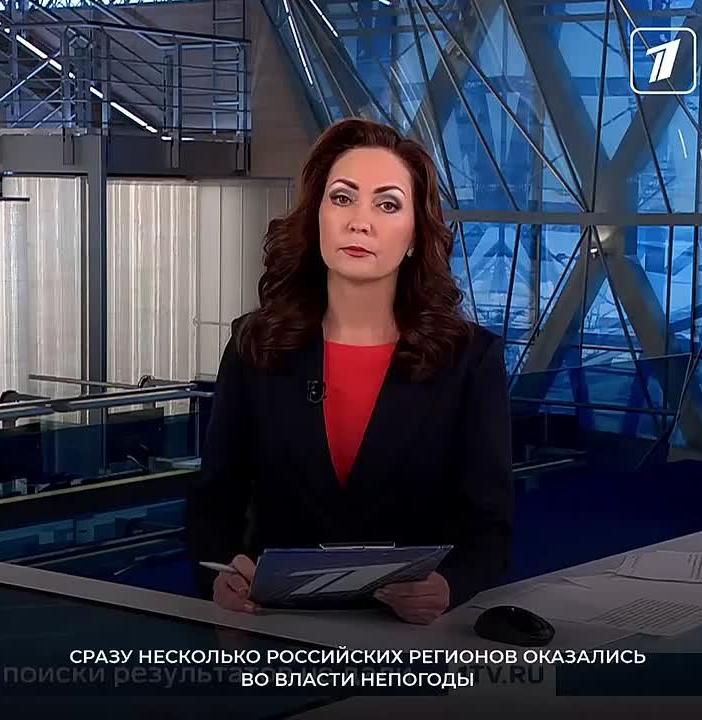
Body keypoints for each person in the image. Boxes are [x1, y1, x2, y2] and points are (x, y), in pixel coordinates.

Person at [185, 118, 513, 625]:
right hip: (272, 631)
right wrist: (220, 576)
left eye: (388, 205)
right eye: (342, 198)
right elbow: (214, 501)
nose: (360, 221)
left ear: (414, 236)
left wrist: (450, 585)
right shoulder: (256, 343)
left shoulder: (469, 358)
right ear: (317, 216)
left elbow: (490, 526)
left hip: (407, 640)